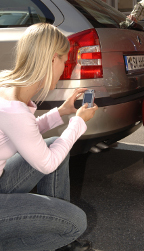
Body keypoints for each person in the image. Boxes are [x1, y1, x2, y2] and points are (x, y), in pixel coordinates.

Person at [0, 23, 98, 251]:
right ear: (52, 59)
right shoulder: (14, 110)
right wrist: (79, 121)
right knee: (75, 223)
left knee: (55, 144)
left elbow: (22, 133)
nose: (66, 66)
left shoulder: (5, 82)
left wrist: (62, 112)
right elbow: (47, 164)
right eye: (64, 60)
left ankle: (59, 242)